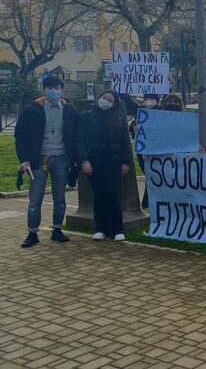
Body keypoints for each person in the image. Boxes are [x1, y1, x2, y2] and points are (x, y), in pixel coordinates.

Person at [15, 76, 78, 248]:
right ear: (44, 90)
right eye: (49, 88)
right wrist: (24, 159)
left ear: (62, 90)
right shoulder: (32, 110)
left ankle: (57, 229)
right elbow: (20, 136)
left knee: (59, 198)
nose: (53, 91)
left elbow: (77, 133)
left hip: (61, 159)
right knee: (35, 199)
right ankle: (32, 232)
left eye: (57, 87)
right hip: (39, 160)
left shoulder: (69, 110)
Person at [77, 90, 133, 241]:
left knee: (113, 195)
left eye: (110, 100)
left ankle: (117, 229)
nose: (105, 101)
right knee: (99, 195)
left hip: (113, 162)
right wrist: (84, 160)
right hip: (94, 162)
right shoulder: (87, 116)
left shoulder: (120, 119)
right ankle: (101, 228)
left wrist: (126, 161)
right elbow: (81, 140)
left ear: (114, 104)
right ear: (99, 98)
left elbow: (125, 141)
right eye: (104, 97)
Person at [129, 94, 160, 209]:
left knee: (155, 175)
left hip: (158, 150)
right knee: (149, 174)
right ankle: (147, 203)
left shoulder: (162, 111)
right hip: (144, 152)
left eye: (152, 99)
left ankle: (147, 203)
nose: (149, 101)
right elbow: (127, 101)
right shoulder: (139, 111)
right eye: (147, 98)